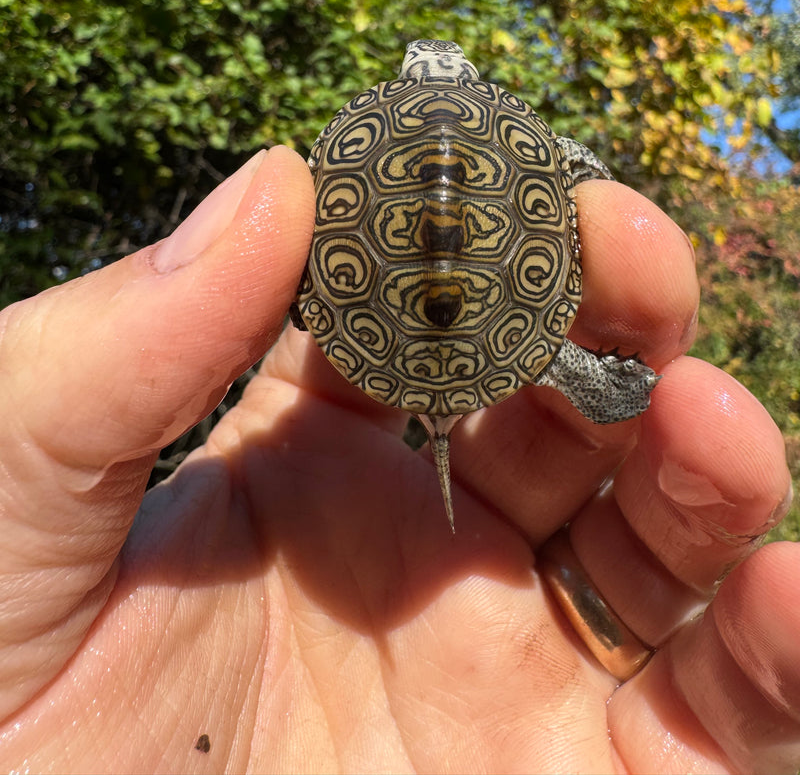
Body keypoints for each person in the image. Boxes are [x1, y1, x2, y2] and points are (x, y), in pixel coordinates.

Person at [0, 145, 797, 774]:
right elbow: (562, 174)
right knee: (543, 332)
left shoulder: (368, 137)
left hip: (380, 321)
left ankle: (556, 360)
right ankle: (557, 359)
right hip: (499, 319)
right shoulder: (511, 137)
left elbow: (329, 191)